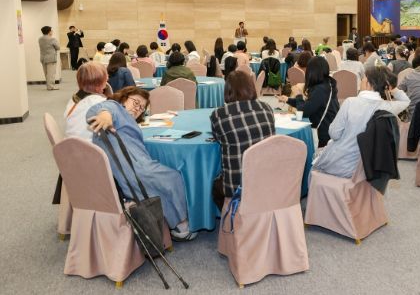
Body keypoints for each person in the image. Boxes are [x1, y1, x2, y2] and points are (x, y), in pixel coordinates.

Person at [86, 87, 195, 240]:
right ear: (124, 98)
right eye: (136, 102)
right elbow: (101, 109)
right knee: (173, 177)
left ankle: (177, 223)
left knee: (165, 179)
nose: (138, 108)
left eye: (142, 107)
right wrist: (105, 115)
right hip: (134, 171)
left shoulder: (127, 119)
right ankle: (181, 225)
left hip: (131, 169)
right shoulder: (116, 107)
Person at [312, 66, 410, 178]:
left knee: (311, 159)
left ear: (368, 83)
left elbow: (334, 134)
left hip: (339, 164)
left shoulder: (350, 102)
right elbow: (405, 101)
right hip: (367, 168)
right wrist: (392, 88)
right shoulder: (387, 107)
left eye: (363, 79)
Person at [210, 71, 276, 206]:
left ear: (228, 91)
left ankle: (230, 216)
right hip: (267, 177)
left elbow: (217, 138)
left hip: (237, 185)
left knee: (214, 185)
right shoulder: (267, 108)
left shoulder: (219, 115)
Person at [278, 57, 339, 148]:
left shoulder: (320, 89)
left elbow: (303, 111)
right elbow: (310, 105)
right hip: (328, 129)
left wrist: (298, 95)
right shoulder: (326, 85)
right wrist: (288, 100)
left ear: (312, 72)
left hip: (321, 135)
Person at [64, 62, 109, 140]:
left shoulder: (74, 99)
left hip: (70, 143)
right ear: (98, 85)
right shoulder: (101, 103)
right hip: (90, 145)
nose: (106, 85)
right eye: (105, 81)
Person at [39, 26, 60, 90]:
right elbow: (58, 47)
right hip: (51, 58)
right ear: (49, 31)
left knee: (46, 73)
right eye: (51, 30)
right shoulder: (52, 39)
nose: (52, 31)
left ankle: (49, 86)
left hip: (43, 58)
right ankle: (50, 86)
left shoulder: (40, 39)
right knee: (51, 73)